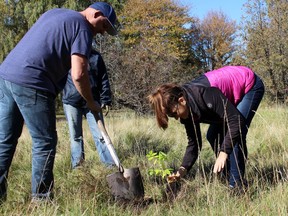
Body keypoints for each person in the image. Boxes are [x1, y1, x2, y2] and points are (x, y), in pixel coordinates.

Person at [0, 2, 117, 202]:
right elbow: (79, 74)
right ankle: (42, 200)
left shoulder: (56, 13)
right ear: (96, 14)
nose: (103, 33)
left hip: (6, 76)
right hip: (34, 82)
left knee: (5, 140)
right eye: (105, 26)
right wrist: (90, 101)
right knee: (44, 143)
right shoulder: (83, 27)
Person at [148, 66, 264, 191]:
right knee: (213, 135)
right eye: (171, 116)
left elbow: (236, 121)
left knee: (235, 135)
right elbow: (194, 144)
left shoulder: (204, 94)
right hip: (226, 95)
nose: (176, 118)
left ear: (181, 100)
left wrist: (223, 152)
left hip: (248, 84)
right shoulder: (186, 108)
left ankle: (237, 186)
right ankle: (228, 175)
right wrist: (182, 170)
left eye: (175, 113)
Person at [62, 49, 115, 169]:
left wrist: (105, 99)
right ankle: (78, 167)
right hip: (71, 101)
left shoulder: (96, 56)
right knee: (75, 136)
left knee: (101, 135)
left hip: (93, 101)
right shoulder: (68, 54)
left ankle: (110, 166)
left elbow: (103, 78)